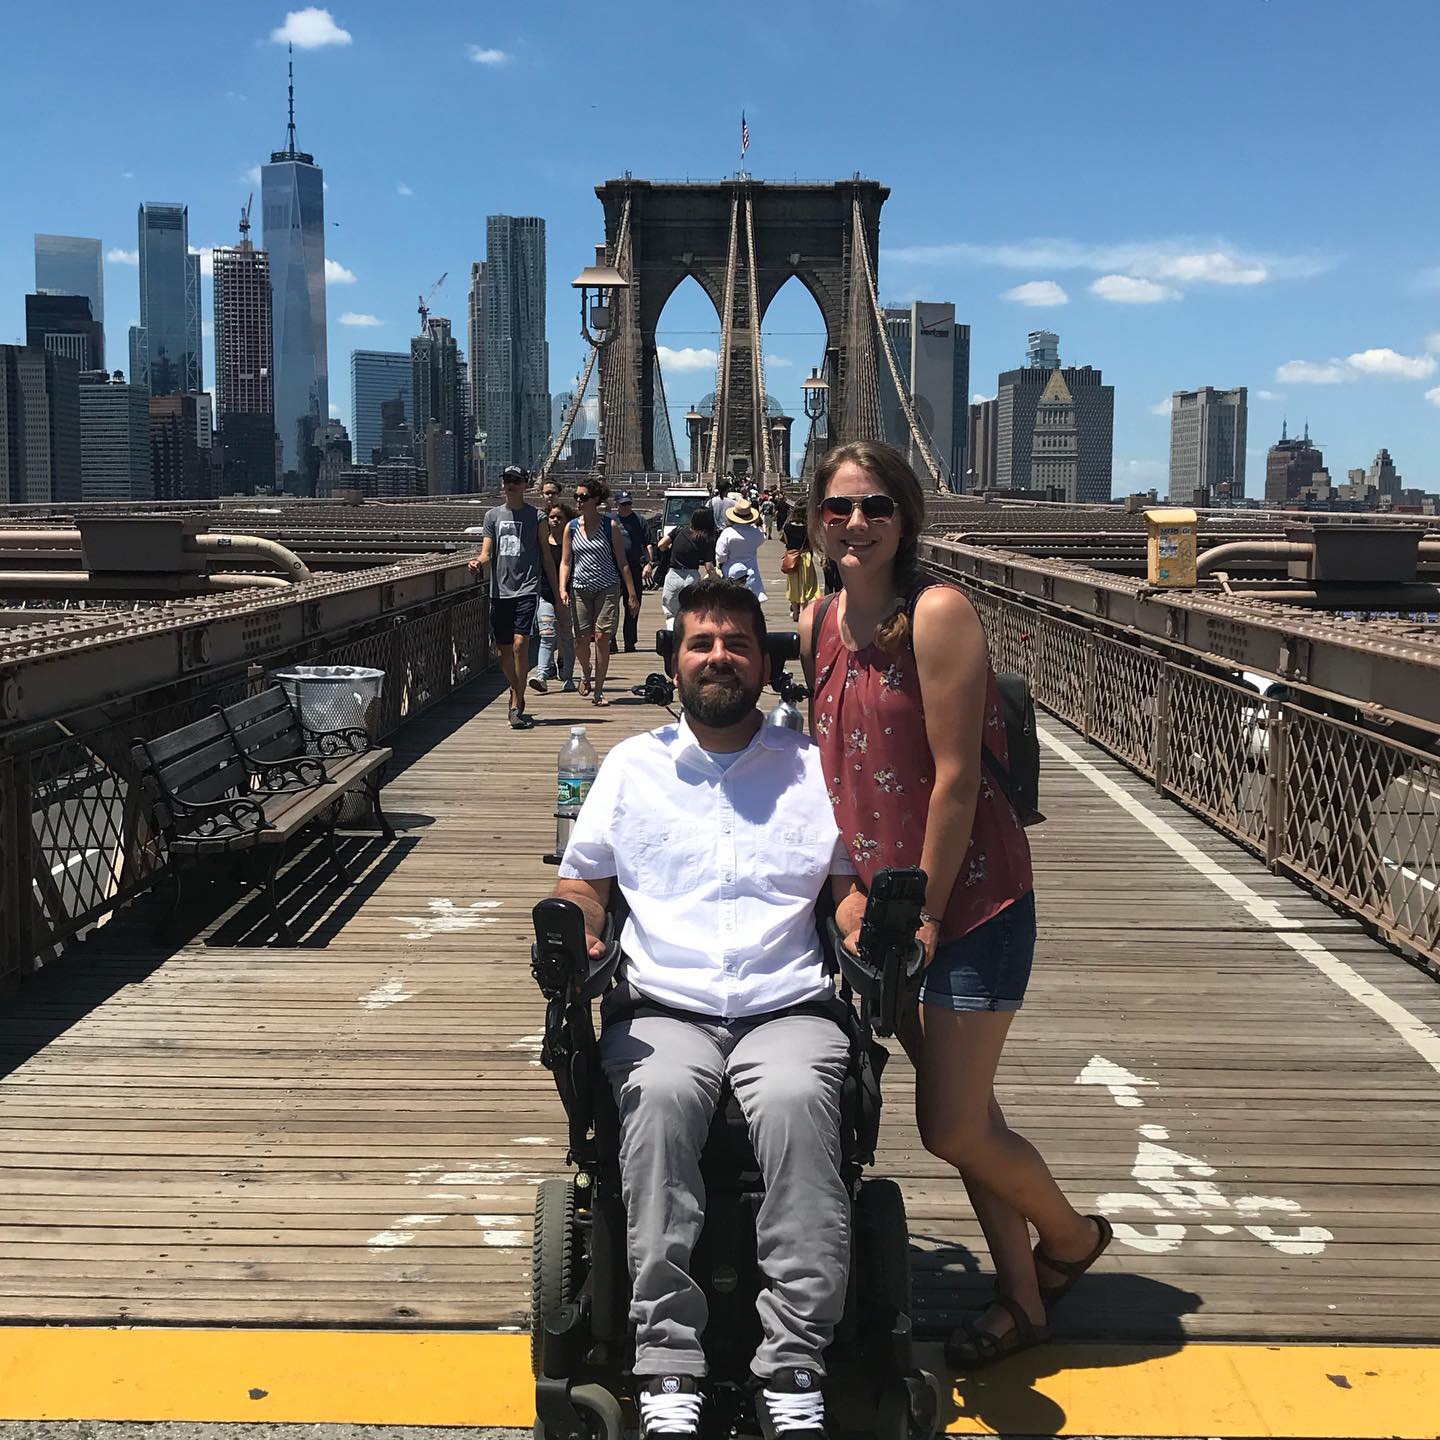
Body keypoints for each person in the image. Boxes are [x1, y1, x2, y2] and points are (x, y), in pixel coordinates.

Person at [802, 440, 1111, 1369]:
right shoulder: (818, 620)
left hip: (967, 904)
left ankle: (1071, 1239)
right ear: (814, 521)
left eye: (877, 506)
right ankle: (1023, 1301)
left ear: (907, 519)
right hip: (881, 912)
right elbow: (833, 770)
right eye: (838, 507)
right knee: (968, 1115)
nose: (857, 523)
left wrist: (926, 915)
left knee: (951, 1125)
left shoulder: (936, 614)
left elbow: (956, 777)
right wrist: (850, 893)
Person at [554, 578, 855, 1440]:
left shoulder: (812, 767)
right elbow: (584, 884)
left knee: (796, 1099)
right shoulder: (629, 767)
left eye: (737, 644)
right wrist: (574, 929)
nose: (720, 657)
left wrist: (866, 925)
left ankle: (794, 1359)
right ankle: (666, 1359)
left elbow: (845, 891)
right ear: (675, 660)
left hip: (784, 1001)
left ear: (763, 662)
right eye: (702, 643)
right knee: (658, 1100)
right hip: (665, 1004)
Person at [468, 465, 552, 730]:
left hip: (527, 587)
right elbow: (486, 552)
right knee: (502, 650)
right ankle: (517, 689)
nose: (510, 484)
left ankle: (516, 704)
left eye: (516, 480)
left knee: (519, 644)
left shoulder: (537, 517)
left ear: (525, 484)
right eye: (507, 480)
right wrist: (478, 562)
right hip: (499, 591)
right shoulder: (492, 516)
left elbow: (546, 555)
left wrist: (558, 590)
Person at [560, 476, 640, 708]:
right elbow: (566, 561)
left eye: (583, 497)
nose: (578, 501)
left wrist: (632, 594)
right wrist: (562, 588)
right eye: (576, 497)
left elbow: (622, 562)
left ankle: (598, 691)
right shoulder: (571, 528)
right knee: (581, 641)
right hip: (580, 588)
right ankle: (586, 672)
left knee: (602, 638)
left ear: (596, 499)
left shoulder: (609, 526)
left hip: (608, 587)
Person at [529, 500, 577, 694]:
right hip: (545, 593)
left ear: (567, 521)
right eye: (552, 517)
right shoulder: (540, 543)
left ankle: (568, 676)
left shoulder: (573, 542)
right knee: (547, 634)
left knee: (566, 634)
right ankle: (542, 675)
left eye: (559, 517)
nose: (555, 520)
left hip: (568, 594)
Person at [650, 506, 718, 629]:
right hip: (691, 577)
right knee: (691, 612)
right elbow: (709, 567)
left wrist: (670, 551)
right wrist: (717, 579)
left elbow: (661, 545)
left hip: (674, 575)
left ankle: (672, 637)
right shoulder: (705, 538)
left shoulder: (679, 530)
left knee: (671, 613)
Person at [615, 490, 657, 653]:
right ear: (616, 505)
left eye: (628, 503)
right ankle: (610, 640)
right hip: (613, 569)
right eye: (623, 504)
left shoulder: (640, 521)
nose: (626, 507)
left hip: (633, 568)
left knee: (633, 605)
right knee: (611, 606)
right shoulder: (610, 520)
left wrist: (649, 564)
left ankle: (630, 641)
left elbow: (648, 544)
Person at [716, 499, 766, 602]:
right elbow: (762, 539)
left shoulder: (727, 533)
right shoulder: (756, 533)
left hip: (731, 573)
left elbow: (720, 556)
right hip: (751, 574)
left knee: (730, 603)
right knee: (750, 604)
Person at [781, 501, 819, 623]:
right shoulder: (808, 528)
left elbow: (786, 542)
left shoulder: (787, 527)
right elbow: (813, 543)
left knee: (793, 585)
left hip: (792, 557)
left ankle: (795, 612)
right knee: (805, 585)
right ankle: (803, 610)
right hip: (805, 557)